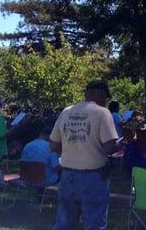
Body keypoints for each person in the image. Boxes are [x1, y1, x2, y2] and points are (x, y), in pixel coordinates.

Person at [50, 81, 119, 230]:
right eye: (106, 97)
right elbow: (109, 148)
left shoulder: (66, 111)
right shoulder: (102, 112)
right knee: (95, 223)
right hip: (93, 177)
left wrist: (72, 151)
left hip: (67, 175)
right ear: (101, 94)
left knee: (64, 223)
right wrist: (119, 145)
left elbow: (54, 145)